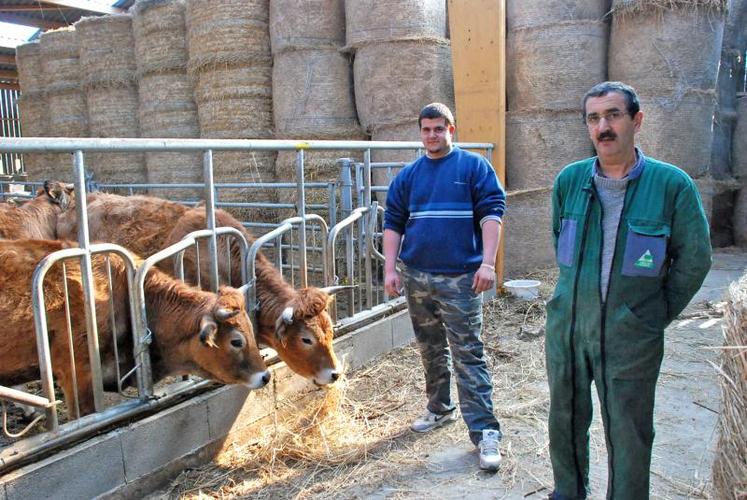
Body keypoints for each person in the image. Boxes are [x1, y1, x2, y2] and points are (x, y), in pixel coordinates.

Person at [545, 81, 712, 499]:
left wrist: (649, 315)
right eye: (594, 118)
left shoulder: (671, 185)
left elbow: (695, 260)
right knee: (564, 419)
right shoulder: (569, 181)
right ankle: (568, 493)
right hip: (568, 328)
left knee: (630, 431)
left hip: (630, 337)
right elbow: (559, 244)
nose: (604, 126)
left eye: (614, 115)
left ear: (636, 121)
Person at [383, 102, 506, 471]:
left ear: (452, 129)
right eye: (426, 129)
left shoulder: (473, 168)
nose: (432, 135)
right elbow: (393, 222)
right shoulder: (408, 176)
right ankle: (439, 408)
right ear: (420, 132)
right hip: (418, 276)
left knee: (468, 352)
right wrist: (390, 268)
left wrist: (487, 263)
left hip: (460, 279)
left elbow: (492, 213)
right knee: (430, 349)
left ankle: (485, 432)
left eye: (439, 128)